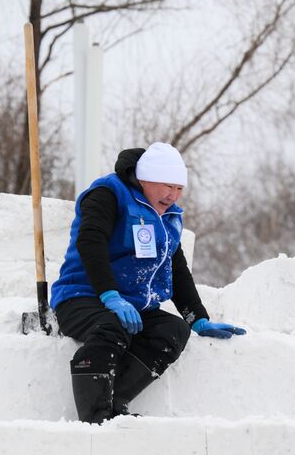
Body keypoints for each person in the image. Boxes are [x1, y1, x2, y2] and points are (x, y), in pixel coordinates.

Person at [50, 143, 245, 423]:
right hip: (82, 296)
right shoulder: (107, 194)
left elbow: (176, 267)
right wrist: (110, 295)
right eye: (167, 186)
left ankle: (115, 402)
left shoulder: (166, 215)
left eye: (179, 189)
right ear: (145, 179)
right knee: (111, 325)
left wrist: (198, 318)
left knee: (173, 330)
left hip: (133, 305)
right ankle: (94, 417)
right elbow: (90, 241)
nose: (173, 195)